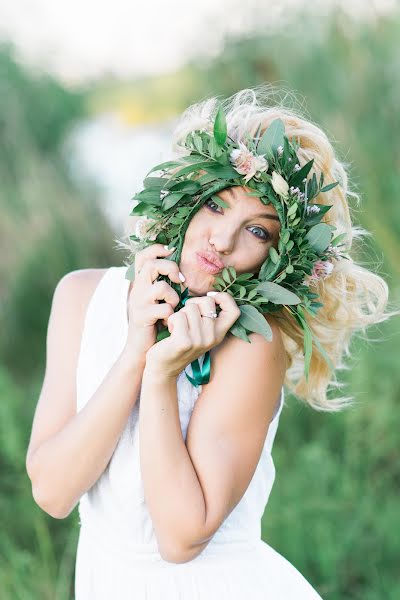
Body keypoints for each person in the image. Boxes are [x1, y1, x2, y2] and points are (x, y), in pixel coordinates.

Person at [26, 86, 396, 599]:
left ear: (277, 257)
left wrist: (161, 374)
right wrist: (136, 348)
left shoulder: (251, 344)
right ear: (184, 196)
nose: (222, 241)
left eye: (258, 231)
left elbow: (181, 536)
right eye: (216, 207)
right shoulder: (81, 296)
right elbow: (51, 492)